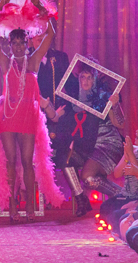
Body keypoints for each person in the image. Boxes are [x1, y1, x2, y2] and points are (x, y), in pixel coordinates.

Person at [0, 0, 65, 221]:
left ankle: (28, 207)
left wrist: (44, 12)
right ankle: (13, 206)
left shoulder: (34, 61)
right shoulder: (5, 62)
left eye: (21, 42)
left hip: (28, 116)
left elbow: (50, 35)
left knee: (27, 162)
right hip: (8, 117)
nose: (18, 46)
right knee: (10, 162)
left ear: (26, 43)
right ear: (10, 44)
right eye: (14, 42)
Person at [53, 56, 124, 216]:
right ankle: (81, 200)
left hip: (106, 143)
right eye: (83, 77)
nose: (85, 81)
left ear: (95, 79)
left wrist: (115, 105)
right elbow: (58, 120)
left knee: (88, 177)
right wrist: (55, 114)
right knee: (64, 157)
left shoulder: (103, 97)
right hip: (86, 144)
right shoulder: (74, 99)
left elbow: (120, 124)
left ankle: (122, 195)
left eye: (89, 78)